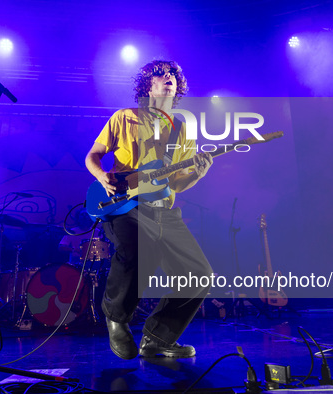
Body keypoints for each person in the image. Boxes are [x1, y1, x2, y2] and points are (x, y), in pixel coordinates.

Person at [85, 60, 213, 359]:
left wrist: (198, 172)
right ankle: (116, 318)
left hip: (163, 210)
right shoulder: (124, 117)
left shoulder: (181, 129)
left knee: (199, 274)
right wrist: (101, 175)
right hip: (123, 204)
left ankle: (157, 338)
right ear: (148, 85)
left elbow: (177, 185)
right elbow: (93, 155)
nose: (168, 78)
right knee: (136, 249)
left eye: (173, 76)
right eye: (161, 74)